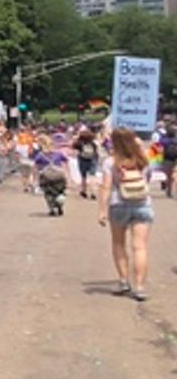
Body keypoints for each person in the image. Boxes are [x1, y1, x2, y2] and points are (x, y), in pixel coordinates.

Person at [98, 127, 155, 301]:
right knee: (140, 247)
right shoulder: (143, 159)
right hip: (142, 204)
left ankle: (123, 281)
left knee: (118, 243)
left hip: (119, 204)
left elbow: (106, 186)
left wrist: (102, 210)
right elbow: (148, 180)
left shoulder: (110, 162)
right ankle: (140, 287)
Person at [74, 128, 99, 200]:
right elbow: (97, 151)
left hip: (82, 160)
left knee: (83, 176)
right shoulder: (94, 143)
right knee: (92, 176)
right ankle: (93, 192)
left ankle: (84, 191)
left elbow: (74, 148)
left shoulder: (79, 143)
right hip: (93, 160)